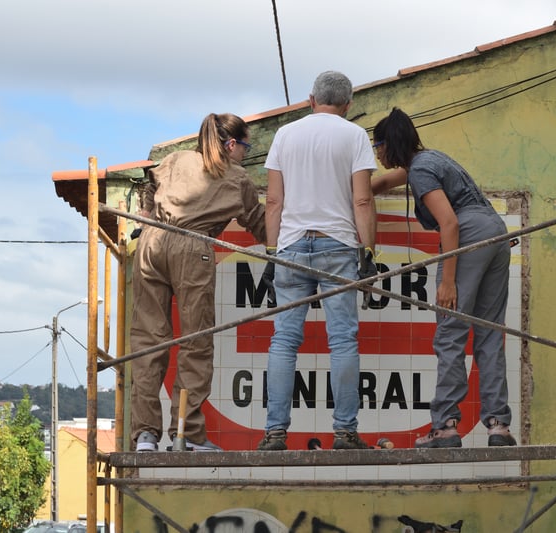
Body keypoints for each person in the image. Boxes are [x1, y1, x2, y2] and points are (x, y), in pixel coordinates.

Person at [371, 107, 516, 448]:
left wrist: (447, 281)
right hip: (495, 233)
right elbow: (380, 183)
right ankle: (498, 426)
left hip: (467, 234)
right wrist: (356, 193)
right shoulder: (428, 161)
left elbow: (449, 223)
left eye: (377, 144)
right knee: (489, 334)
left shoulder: (421, 171)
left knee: (450, 333)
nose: (376, 153)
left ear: (390, 143)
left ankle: (446, 426)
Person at [130, 113, 267, 452]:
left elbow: (150, 185)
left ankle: (145, 435)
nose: (244, 155)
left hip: (150, 242)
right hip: (191, 247)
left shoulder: (175, 159)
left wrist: (147, 216)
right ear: (232, 144)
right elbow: (260, 224)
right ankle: (186, 434)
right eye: (245, 148)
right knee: (196, 343)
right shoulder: (236, 177)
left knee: (149, 341)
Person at [259, 71, 377, 451]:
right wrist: (368, 251)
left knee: (283, 341)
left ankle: (275, 433)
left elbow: (274, 201)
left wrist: (272, 251)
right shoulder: (355, 136)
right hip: (338, 245)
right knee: (342, 340)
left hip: (291, 246)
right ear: (348, 105)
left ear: (311, 99)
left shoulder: (284, 136)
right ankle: (344, 432)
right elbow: (362, 200)